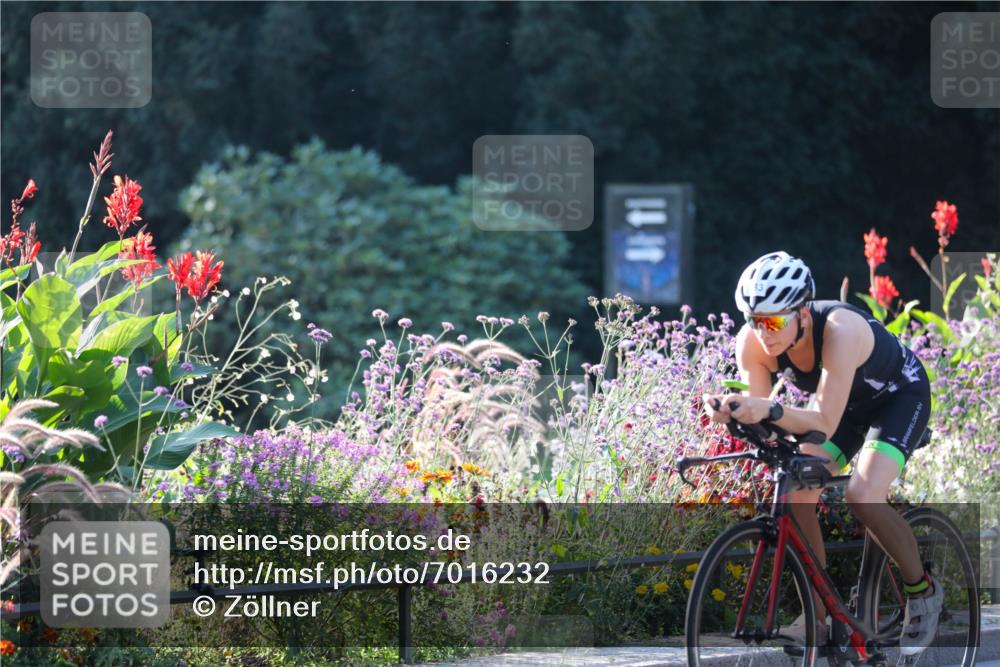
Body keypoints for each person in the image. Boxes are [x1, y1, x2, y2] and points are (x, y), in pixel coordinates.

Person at [702, 250, 943, 655]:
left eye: (775, 320)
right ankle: (819, 613)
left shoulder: (840, 329)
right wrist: (732, 412)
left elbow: (822, 422)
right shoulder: (754, 344)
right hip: (843, 408)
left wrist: (772, 410)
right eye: (755, 321)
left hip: (897, 400)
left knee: (862, 495)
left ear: (802, 313)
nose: (765, 333)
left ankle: (923, 589)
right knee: (797, 488)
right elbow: (761, 413)